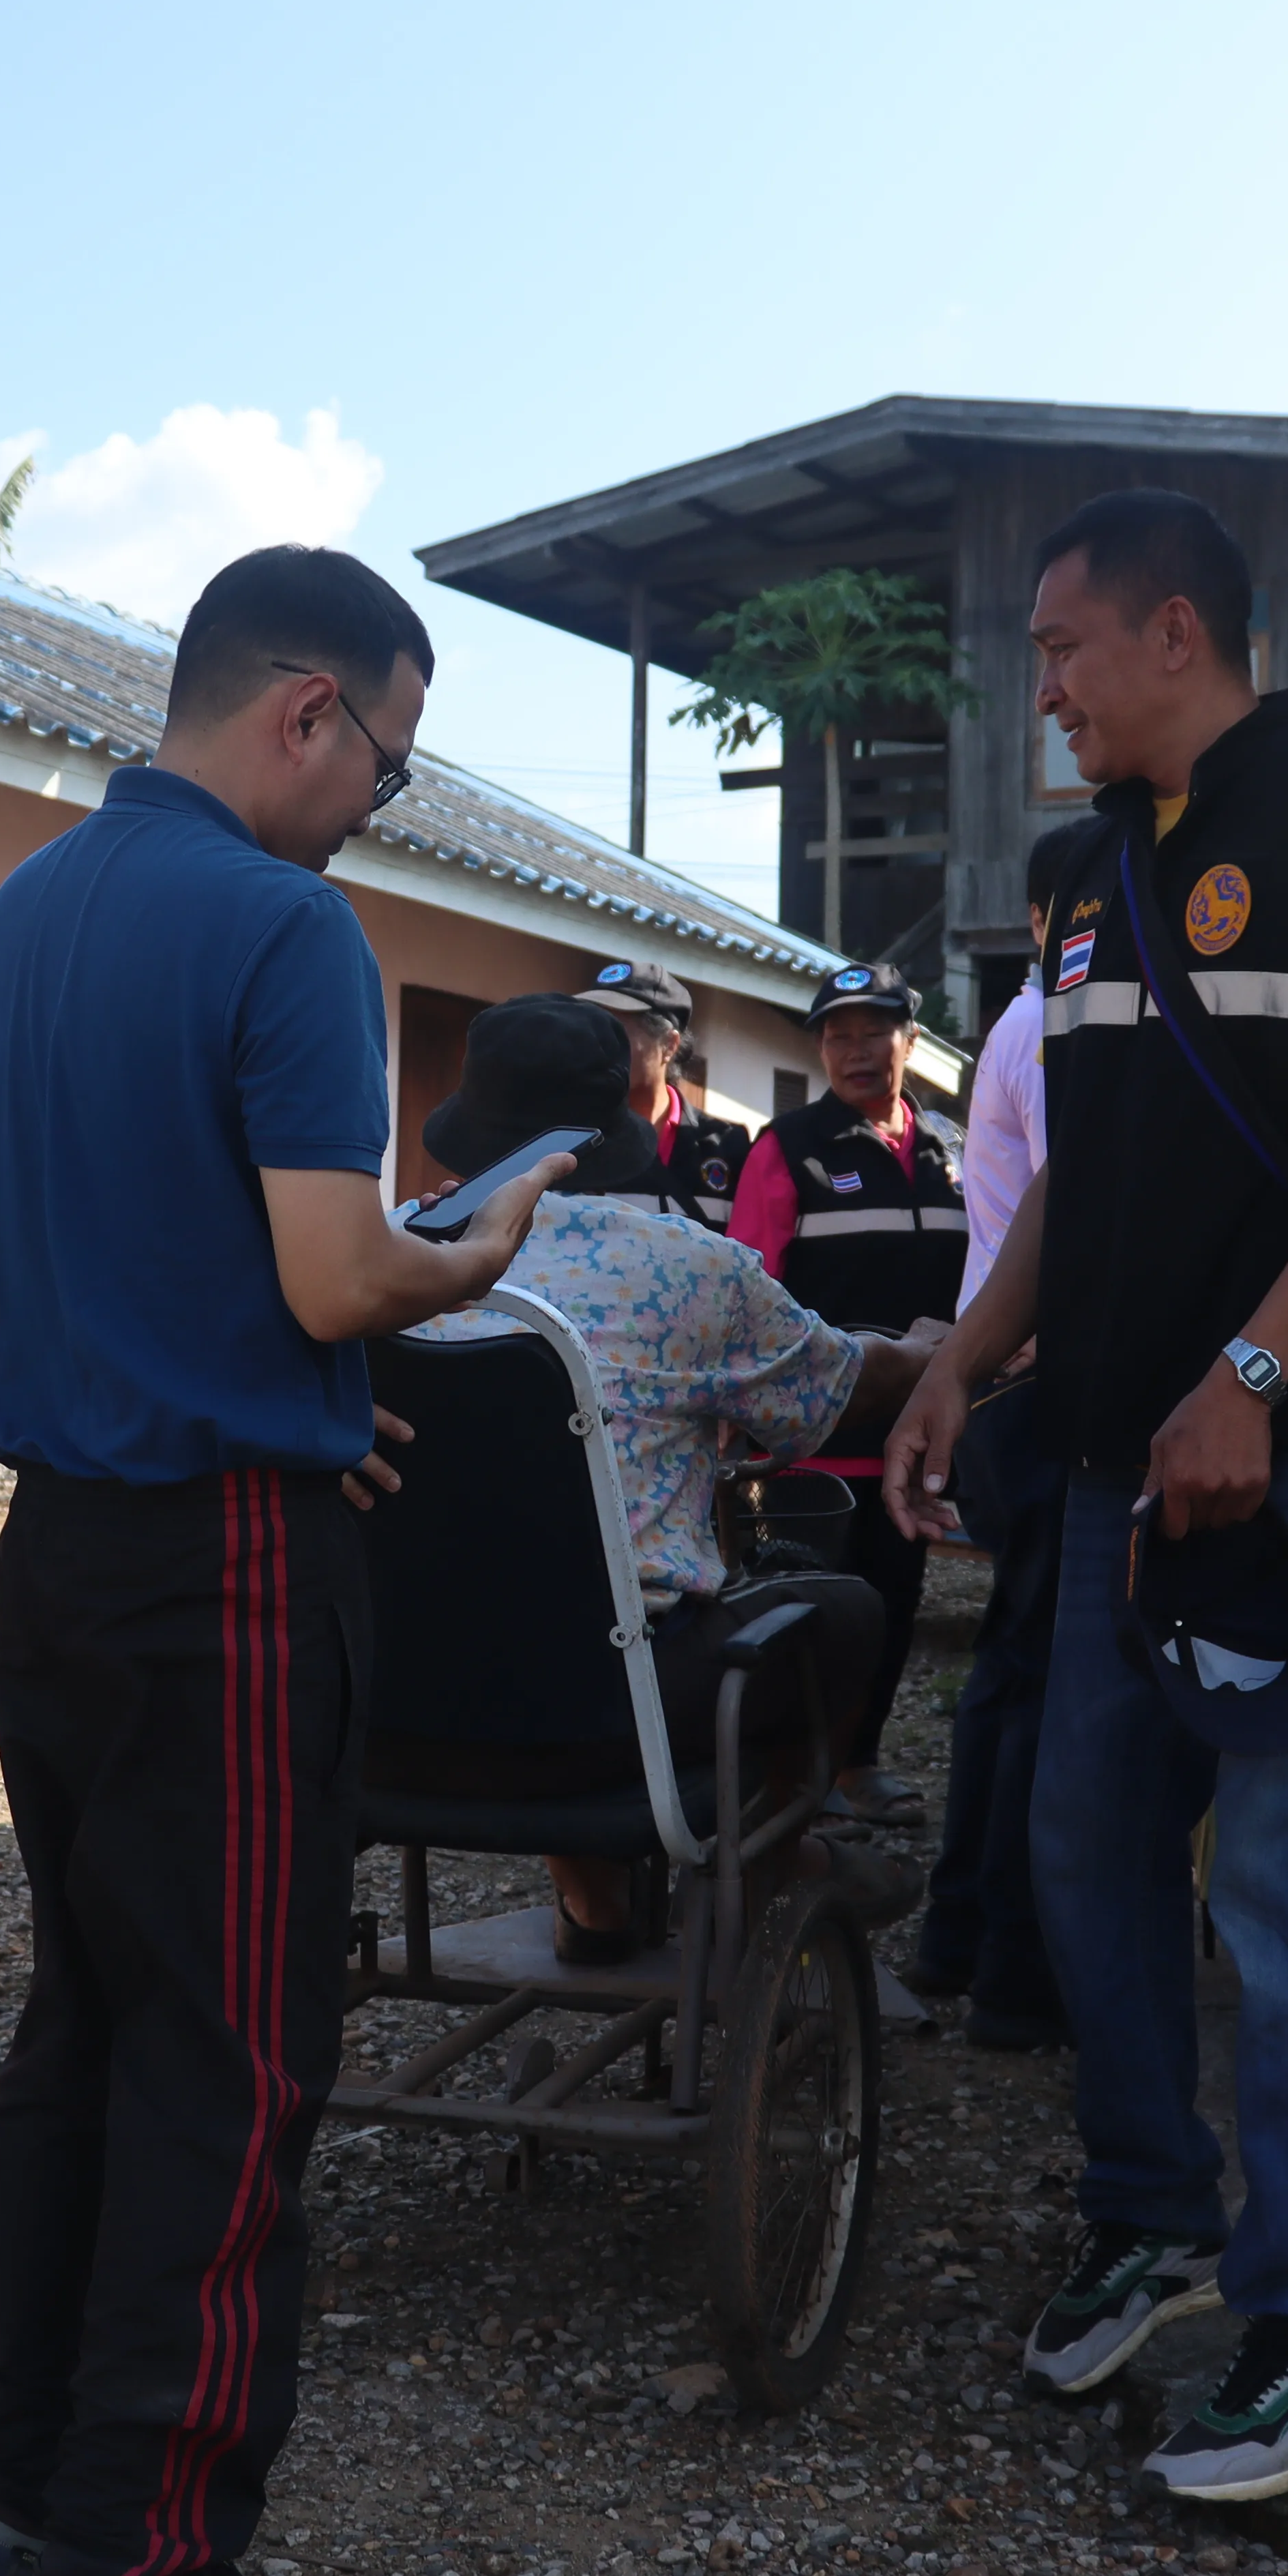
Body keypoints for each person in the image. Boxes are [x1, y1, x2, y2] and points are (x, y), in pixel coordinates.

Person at [0, 547, 554, 2576]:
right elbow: (332, 1270)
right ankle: (149, 2556)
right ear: (305, 708)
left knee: (88, 2029)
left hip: (60, 1552)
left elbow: (117, 1246)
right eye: (382, 759)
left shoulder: (25, 908)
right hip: (223, 1566)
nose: (373, 805)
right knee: (230, 2058)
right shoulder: (287, 927)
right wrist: (464, 1256)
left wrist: (297, 1390)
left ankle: (23, 2507)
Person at [881, 486, 1288, 2502]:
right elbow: (1073, 1172)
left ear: (1172, 637)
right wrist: (960, 1361)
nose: (1037, 687)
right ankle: (1151, 2210)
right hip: (1119, 1469)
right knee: (1080, 1846)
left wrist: (1249, 1371)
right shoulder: (1078, 871)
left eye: (1058, 648)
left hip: (1284, 1470)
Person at [400, 994, 930, 1956]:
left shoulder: (384, 1255)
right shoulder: (688, 1269)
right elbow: (841, 1386)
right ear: (616, 1126)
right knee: (846, 1609)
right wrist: (940, 1356)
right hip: (605, 1720)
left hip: (391, 1712)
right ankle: (773, 1860)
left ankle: (598, 1911)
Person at [728, 962, 965, 1818]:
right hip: (810, 1443)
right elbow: (753, 1288)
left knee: (896, 1597)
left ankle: (857, 1762)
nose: (855, 1050)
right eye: (837, 1034)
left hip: (915, 1430)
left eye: (873, 1031)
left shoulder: (945, 1153)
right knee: (808, 1608)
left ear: (910, 1040)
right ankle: (793, 1775)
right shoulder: (787, 1148)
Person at [911, 827, 1077, 2047]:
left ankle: (967, 1941)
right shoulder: (1055, 1032)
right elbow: (1079, 1216)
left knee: (1011, 1680)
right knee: (1037, 1689)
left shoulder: (1023, 1029)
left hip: (1007, 1384)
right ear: (1038, 922)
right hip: (1030, 1384)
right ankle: (1009, 1969)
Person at [575, 958, 750, 1228]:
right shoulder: (575, 1140)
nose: (601, 1047)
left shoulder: (726, 1146)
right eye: (594, 1030)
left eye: (617, 1033)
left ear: (669, 1045)